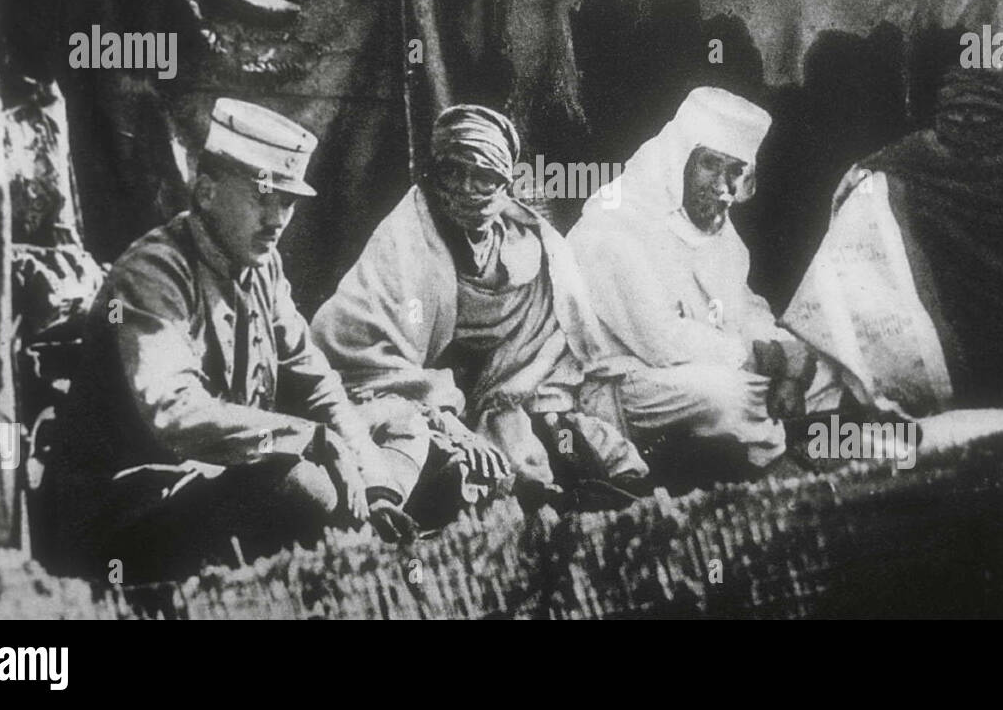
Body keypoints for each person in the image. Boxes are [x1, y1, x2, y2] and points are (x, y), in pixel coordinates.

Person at [53, 98, 426, 581]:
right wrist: (307, 438)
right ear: (206, 192)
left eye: (287, 201)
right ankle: (347, 553)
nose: (276, 219)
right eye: (261, 196)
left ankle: (365, 524)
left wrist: (376, 485)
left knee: (404, 424)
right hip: (133, 502)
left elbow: (317, 383)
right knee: (301, 485)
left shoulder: (263, 268)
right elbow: (177, 414)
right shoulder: (152, 273)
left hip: (222, 481)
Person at [311, 104, 648, 510]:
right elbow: (368, 357)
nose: (468, 188)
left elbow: (550, 342)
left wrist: (527, 403)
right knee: (442, 470)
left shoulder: (532, 255)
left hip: (501, 398)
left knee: (563, 455)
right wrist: (449, 420)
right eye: (454, 172)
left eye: (485, 178)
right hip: (408, 400)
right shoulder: (403, 245)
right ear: (433, 176)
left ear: (506, 184)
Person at [782, 66, 1003, 419]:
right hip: (942, 330)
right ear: (940, 115)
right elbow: (856, 249)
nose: (969, 122)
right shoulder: (902, 165)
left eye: (983, 114)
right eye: (957, 113)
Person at [567, 87, 812, 483]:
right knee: (729, 392)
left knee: (816, 372)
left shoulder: (719, 234)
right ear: (678, 161)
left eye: (734, 171)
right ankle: (774, 469)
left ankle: (773, 449)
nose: (722, 185)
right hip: (620, 386)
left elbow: (744, 307)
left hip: (698, 371)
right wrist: (768, 361)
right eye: (710, 164)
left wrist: (785, 360)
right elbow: (661, 341)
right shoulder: (614, 224)